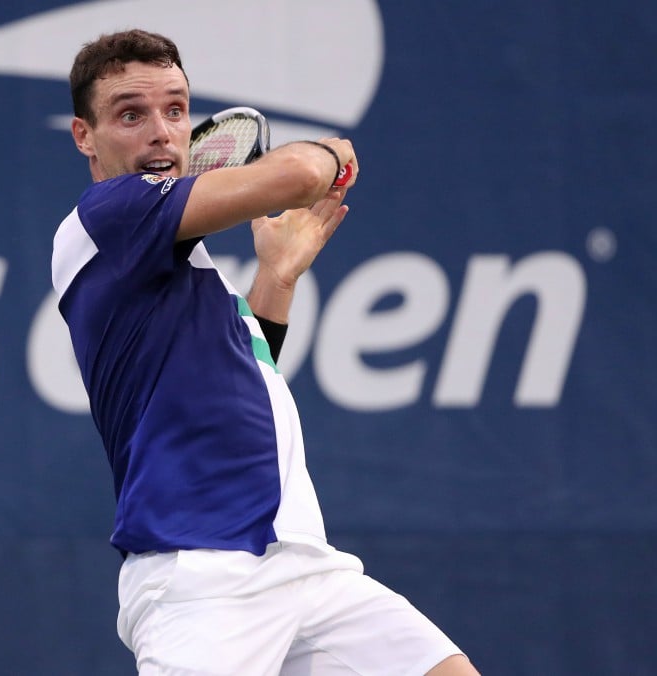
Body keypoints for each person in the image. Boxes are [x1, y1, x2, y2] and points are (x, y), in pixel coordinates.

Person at [52, 28, 479, 676]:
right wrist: (329, 156)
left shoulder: (186, 270)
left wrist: (276, 280)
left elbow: (247, 374)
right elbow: (302, 172)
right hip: (202, 573)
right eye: (130, 114)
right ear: (85, 135)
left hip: (304, 565)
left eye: (175, 109)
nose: (162, 133)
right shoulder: (109, 215)